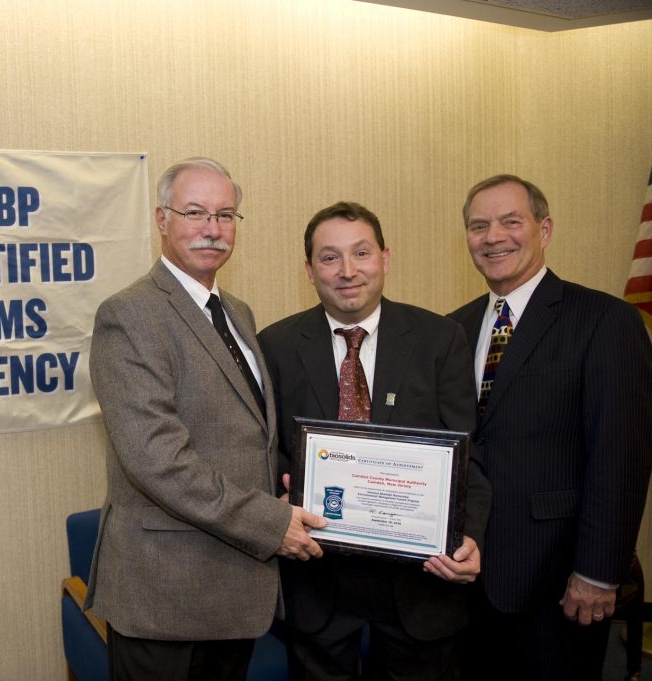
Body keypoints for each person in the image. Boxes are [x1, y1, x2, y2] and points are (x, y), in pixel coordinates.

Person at [85, 157, 327, 681]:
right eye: (195, 212)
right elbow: (157, 460)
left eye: (225, 215)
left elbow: (246, 436)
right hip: (165, 594)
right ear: (161, 219)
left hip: (234, 584)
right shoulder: (129, 315)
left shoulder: (237, 311)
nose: (213, 229)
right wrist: (270, 522)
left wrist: (285, 487)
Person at [258, 201, 491, 681]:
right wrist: (277, 501)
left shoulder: (439, 339)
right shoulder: (275, 346)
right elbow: (266, 451)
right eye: (329, 257)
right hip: (317, 583)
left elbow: (469, 455)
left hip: (421, 585)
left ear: (385, 258)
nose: (348, 271)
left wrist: (471, 539)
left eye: (361, 253)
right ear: (308, 269)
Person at [449, 174, 652, 680]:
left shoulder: (605, 320)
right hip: (463, 578)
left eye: (510, 222)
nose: (493, 237)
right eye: (479, 226)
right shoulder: (451, 328)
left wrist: (598, 571)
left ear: (545, 229)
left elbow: (621, 456)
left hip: (558, 580)